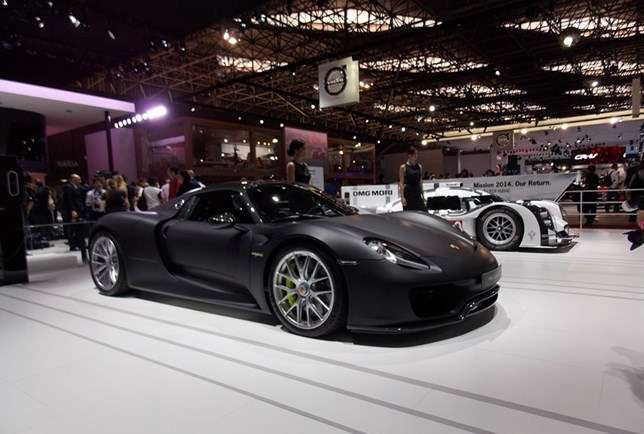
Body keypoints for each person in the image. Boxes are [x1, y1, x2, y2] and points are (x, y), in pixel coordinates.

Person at [61, 174, 86, 251]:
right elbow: (70, 200)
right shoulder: (68, 187)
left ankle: (80, 243)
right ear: (73, 179)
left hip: (79, 210)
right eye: (78, 179)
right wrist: (73, 210)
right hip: (72, 211)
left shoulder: (77, 187)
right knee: (72, 229)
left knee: (79, 228)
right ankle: (73, 245)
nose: (80, 181)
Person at [399, 146, 426, 211]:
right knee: (409, 214)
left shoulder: (419, 166)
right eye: (415, 154)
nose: (417, 156)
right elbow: (401, 183)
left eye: (417, 154)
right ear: (409, 155)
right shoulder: (403, 167)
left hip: (417, 192)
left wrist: (423, 195)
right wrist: (402, 197)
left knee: (423, 212)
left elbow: (420, 181)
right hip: (408, 194)